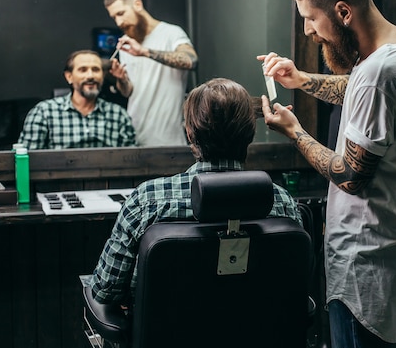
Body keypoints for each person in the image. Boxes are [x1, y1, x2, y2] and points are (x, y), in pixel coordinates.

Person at [258, 0, 396, 348]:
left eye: (311, 19)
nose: (307, 30)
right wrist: (301, 79)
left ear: (342, 12)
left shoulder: (379, 73)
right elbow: (360, 93)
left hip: (365, 274)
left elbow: (351, 176)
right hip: (393, 260)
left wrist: (295, 132)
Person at [89, 77, 302, 306]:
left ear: (190, 133)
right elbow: (295, 284)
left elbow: (106, 290)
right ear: (250, 134)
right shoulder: (281, 202)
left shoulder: (147, 200)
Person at [103, 0, 198, 147]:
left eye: (121, 13)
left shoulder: (170, 33)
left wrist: (145, 52)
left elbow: (191, 60)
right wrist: (121, 79)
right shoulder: (128, 43)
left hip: (169, 140)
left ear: (137, 4)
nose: (118, 22)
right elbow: (129, 92)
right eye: (114, 17)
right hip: (134, 139)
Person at [18, 50, 136, 149]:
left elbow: (131, 161)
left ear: (103, 76)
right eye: (83, 70)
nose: (90, 76)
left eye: (95, 70)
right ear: (69, 77)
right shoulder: (44, 112)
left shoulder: (118, 114)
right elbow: (25, 159)